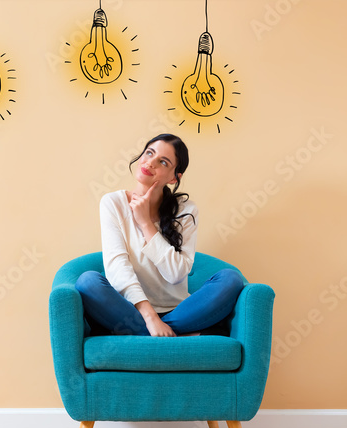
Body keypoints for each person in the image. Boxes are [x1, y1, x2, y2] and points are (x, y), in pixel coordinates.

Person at [75, 134, 244, 337]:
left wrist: (145, 223)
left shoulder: (186, 210)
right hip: (130, 311)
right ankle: (167, 332)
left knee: (230, 279)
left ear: (174, 177)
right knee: (88, 282)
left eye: (163, 162)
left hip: (180, 311)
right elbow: (117, 267)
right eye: (149, 153)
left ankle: (152, 333)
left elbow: (175, 274)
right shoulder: (112, 203)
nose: (150, 162)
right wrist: (151, 318)